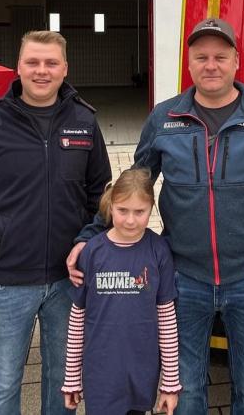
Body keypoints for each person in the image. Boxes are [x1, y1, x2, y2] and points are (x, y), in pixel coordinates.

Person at [68, 17, 244, 415]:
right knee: (186, 391)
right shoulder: (165, 118)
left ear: (236, 60)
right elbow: (134, 185)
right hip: (183, 281)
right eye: (201, 57)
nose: (210, 65)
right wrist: (90, 236)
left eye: (220, 56)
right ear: (190, 62)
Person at [0, 30, 112, 415]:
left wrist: (88, 244)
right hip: (7, 281)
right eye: (32, 62)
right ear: (18, 67)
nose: (41, 71)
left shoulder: (84, 122)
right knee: (3, 385)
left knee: (64, 382)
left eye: (51, 63)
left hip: (69, 280)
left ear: (65, 69)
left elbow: (100, 198)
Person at [61, 168, 180, 415]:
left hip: (141, 372)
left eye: (140, 212)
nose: (130, 220)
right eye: (122, 210)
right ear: (110, 206)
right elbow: (77, 318)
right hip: (101, 374)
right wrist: (72, 377)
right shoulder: (92, 252)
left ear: (152, 209)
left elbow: (167, 320)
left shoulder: (158, 251)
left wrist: (170, 383)